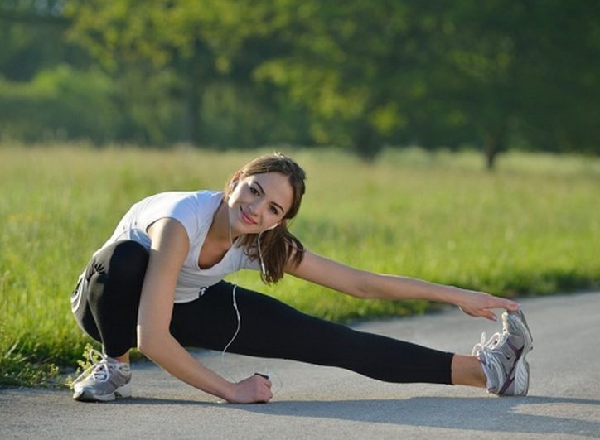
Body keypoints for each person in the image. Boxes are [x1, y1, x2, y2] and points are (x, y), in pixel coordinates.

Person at [70, 152, 533, 403]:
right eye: (254, 191)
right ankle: (114, 365)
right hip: (107, 307)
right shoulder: (180, 220)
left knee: (329, 339)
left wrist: (456, 295)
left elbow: (361, 284)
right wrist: (232, 391)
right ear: (235, 180)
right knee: (126, 257)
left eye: (273, 208)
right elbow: (151, 337)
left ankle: (488, 372)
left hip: (187, 304)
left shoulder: (262, 241)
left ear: (280, 220)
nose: (256, 210)